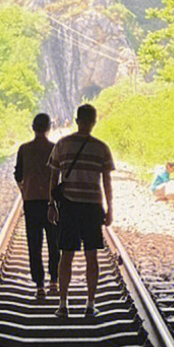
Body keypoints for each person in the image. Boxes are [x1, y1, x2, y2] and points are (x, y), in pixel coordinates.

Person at [47, 103, 115, 320]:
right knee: (91, 256)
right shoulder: (101, 148)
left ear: (77, 120)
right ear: (94, 122)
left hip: (69, 205)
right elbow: (107, 180)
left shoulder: (62, 144)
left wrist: (52, 204)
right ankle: (90, 304)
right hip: (92, 207)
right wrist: (110, 208)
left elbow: (53, 177)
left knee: (65, 255)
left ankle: (63, 304)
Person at [14, 112, 60, 300]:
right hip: (52, 203)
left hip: (31, 201)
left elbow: (18, 175)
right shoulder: (55, 148)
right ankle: (54, 282)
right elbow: (61, 175)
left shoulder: (24, 149)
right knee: (54, 243)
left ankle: (39, 286)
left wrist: (24, 191)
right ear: (49, 128)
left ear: (33, 128)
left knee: (34, 244)